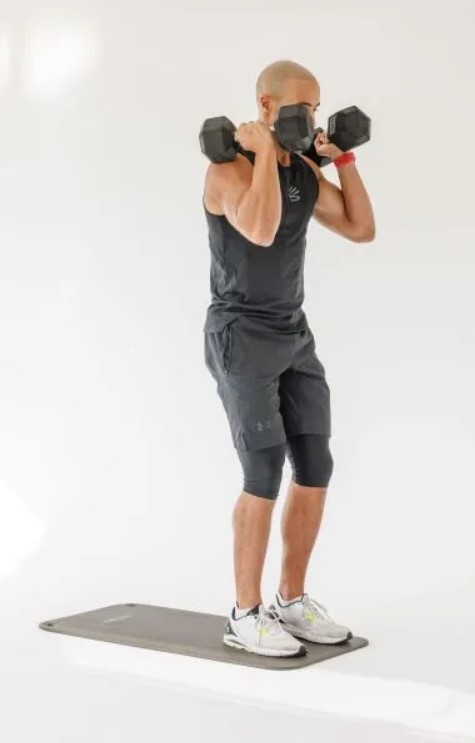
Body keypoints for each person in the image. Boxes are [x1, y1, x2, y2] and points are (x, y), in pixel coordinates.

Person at [202, 59, 375, 657]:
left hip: (293, 333)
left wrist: (343, 158)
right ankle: (244, 615)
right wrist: (263, 153)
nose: (314, 118)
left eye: (318, 106)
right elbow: (262, 227)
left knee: (315, 463)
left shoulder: (301, 169)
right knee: (262, 470)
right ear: (268, 107)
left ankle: (291, 602)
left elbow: (360, 227)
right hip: (240, 334)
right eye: (303, 106)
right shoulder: (226, 171)